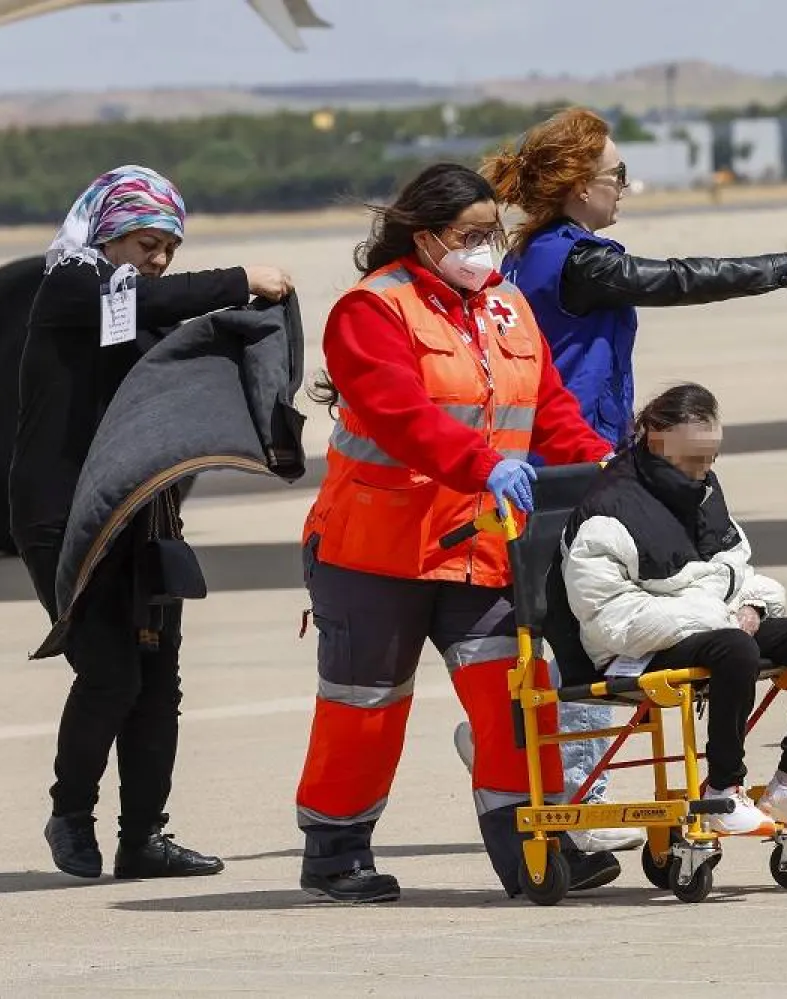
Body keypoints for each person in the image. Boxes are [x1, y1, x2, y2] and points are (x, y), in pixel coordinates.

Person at [479, 107, 787, 848]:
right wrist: (781, 266)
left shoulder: (530, 257)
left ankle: (533, 761)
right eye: (616, 175)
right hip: (571, 468)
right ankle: (574, 802)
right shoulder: (573, 261)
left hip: (567, 463)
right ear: (577, 183)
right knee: (587, 644)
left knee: (572, 641)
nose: (625, 187)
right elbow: (674, 278)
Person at [293, 163, 617, 903]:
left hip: (480, 547)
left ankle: (534, 845)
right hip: (375, 551)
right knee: (363, 711)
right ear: (425, 235)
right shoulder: (372, 310)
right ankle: (336, 852)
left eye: (489, 234)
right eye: (468, 236)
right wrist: (482, 464)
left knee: (514, 699)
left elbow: (549, 408)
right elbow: (399, 416)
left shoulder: (506, 308)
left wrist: (603, 466)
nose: (483, 249)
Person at [10, 164, 294, 879]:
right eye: (145, 243)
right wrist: (241, 278)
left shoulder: (135, 307)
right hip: (62, 513)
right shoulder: (73, 287)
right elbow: (153, 300)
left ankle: (143, 838)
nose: (157, 260)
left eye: (168, 246)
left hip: (142, 511)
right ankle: (71, 813)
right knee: (109, 673)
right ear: (108, 233)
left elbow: (178, 328)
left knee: (157, 678)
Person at [559, 383, 787, 838]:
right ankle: (722, 789)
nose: (704, 471)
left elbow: (734, 566)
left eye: (710, 459)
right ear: (655, 437)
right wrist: (717, 617)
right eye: (693, 460)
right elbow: (612, 619)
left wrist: (753, 604)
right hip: (641, 645)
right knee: (735, 648)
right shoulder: (608, 510)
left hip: (715, 625)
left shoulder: (704, 491)